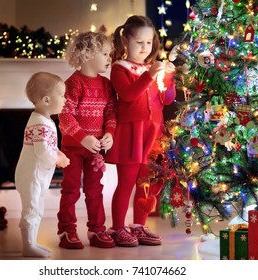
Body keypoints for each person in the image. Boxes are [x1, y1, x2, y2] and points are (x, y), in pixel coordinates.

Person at [105, 15, 176, 247]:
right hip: (131, 133)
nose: (145, 48)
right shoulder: (119, 68)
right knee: (126, 182)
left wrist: (169, 76)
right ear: (125, 41)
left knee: (145, 182)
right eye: (139, 42)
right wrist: (150, 75)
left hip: (152, 133)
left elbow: (166, 99)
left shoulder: (151, 68)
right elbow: (128, 94)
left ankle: (139, 225)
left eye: (149, 42)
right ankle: (118, 227)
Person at [57, 31, 117, 249]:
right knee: (71, 189)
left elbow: (111, 113)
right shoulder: (73, 84)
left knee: (94, 190)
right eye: (105, 53)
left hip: (95, 150)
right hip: (73, 148)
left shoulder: (106, 85)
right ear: (87, 54)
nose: (109, 58)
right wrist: (82, 138)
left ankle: (96, 230)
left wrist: (109, 134)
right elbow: (64, 115)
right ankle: (67, 230)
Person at [15, 72, 70, 258]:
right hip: (32, 176)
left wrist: (59, 153)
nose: (65, 99)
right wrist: (58, 159)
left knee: (37, 208)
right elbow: (43, 152)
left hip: (37, 175)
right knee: (31, 209)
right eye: (61, 95)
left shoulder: (44, 121)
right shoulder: (41, 124)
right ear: (47, 100)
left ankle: (32, 242)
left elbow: (49, 146)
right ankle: (28, 246)